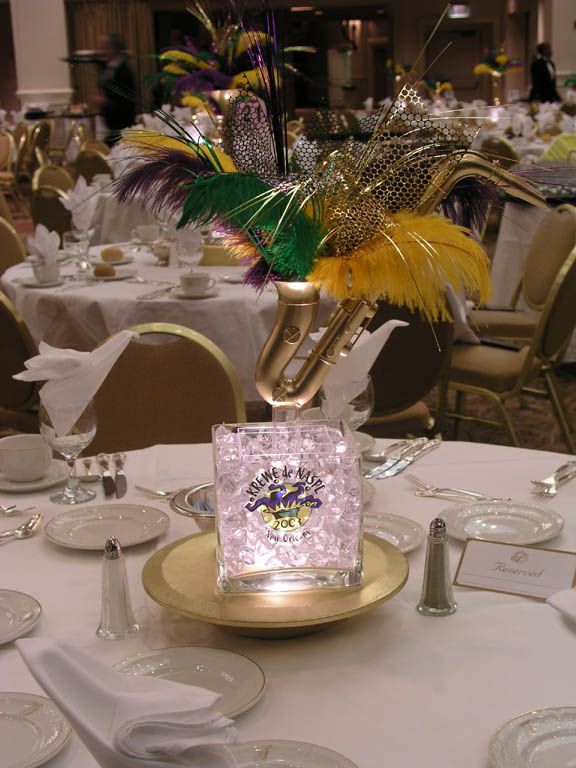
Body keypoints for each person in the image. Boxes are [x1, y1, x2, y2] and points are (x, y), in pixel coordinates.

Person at [94, 33, 137, 146]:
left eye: (103, 47)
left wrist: (105, 102)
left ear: (113, 48)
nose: (100, 51)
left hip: (121, 123)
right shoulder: (111, 66)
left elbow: (127, 101)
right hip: (111, 123)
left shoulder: (123, 71)